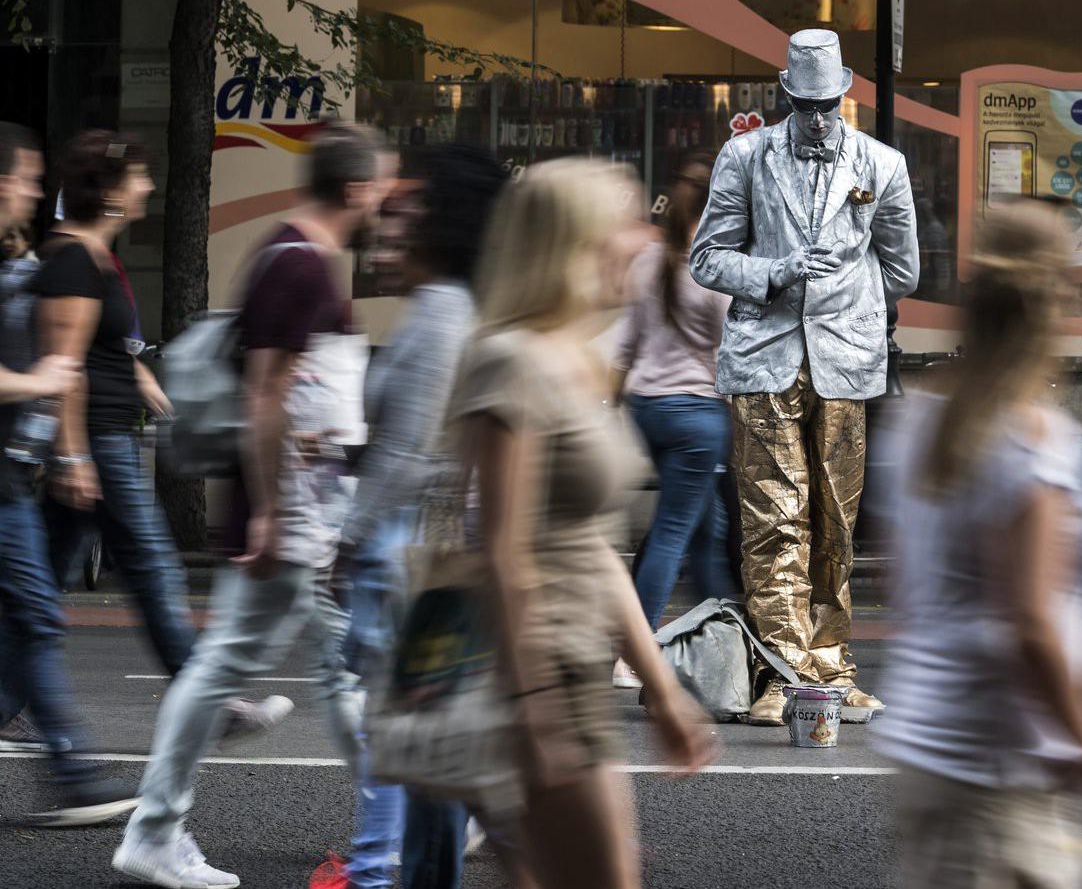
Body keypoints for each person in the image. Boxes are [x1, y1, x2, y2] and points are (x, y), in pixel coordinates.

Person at [114, 123, 396, 889]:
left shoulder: (295, 257)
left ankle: (396, 816)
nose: (386, 200)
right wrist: (269, 513)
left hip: (307, 511)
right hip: (293, 516)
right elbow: (268, 397)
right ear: (354, 188)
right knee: (236, 670)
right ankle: (156, 829)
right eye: (380, 184)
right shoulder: (301, 268)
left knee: (342, 669)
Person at [448, 157, 715, 889]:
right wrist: (535, 709)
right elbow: (501, 551)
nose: (641, 240)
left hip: (569, 668)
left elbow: (593, 546)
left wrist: (661, 690)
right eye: (625, 223)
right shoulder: (514, 362)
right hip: (540, 674)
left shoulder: (575, 359)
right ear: (574, 240)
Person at [876, 201, 1082, 889]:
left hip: (932, 741)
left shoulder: (919, 418)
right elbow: (1031, 621)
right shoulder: (1034, 439)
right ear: (1053, 302)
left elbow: (905, 587)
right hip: (1003, 755)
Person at [689, 28, 919, 724]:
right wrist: (778, 273)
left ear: (843, 95)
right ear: (786, 94)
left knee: (836, 524)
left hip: (845, 363)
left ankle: (833, 667)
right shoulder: (745, 156)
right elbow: (708, 258)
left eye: (829, 104)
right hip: (764, 360)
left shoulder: (882, 164)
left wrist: (852, 301)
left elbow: (903, 268)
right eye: (807, 104)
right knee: (772, 522)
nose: (819, 117)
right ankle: (784, 675)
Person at [35, 130, 292, 740]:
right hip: (98, 442)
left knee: (39, 589)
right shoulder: (73, 257)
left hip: (105, 438)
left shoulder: (94, 255)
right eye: (141, 177)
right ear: (113, 190)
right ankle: (212, 703)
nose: (150, 186)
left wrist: (139, 374)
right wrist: (73, 455)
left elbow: (99, 346)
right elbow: (64, 367)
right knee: (152, 568)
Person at [329, 145, 506, 889]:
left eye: (408, 214)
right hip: (421, 546)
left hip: (411, 545)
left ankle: (377, 873)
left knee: (406, 737)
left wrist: (348, 537)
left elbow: (404, 452)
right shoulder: (447, 308)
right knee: (425, 747)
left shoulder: (441, 314)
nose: (389, 229)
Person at [0, 120, 133, 824]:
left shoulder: (26, 256)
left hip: (16, 470)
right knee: (39, 617)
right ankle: (73, 776)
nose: (34, 190)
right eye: (26, 177)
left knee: (27, 618)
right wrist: (41, 383)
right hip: (6, 477)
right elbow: (42, 368)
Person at [612, 153, 737, 689]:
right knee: (674, 532)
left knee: (706, 527)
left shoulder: (648, 261)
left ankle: (717, 646)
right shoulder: (714, 269)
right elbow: (734, 350)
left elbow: (624, 341)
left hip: (648, 408)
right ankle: (634, 653)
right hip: (698, 414)